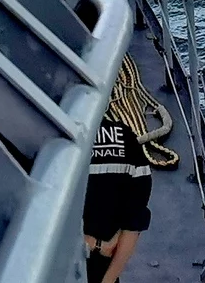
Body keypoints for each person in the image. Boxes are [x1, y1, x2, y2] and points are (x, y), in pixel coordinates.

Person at [83, 107, 152, 283]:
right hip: (102, 267)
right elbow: (135, 218)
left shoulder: (43, 142)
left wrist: (90, 242)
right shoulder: (126, 139)